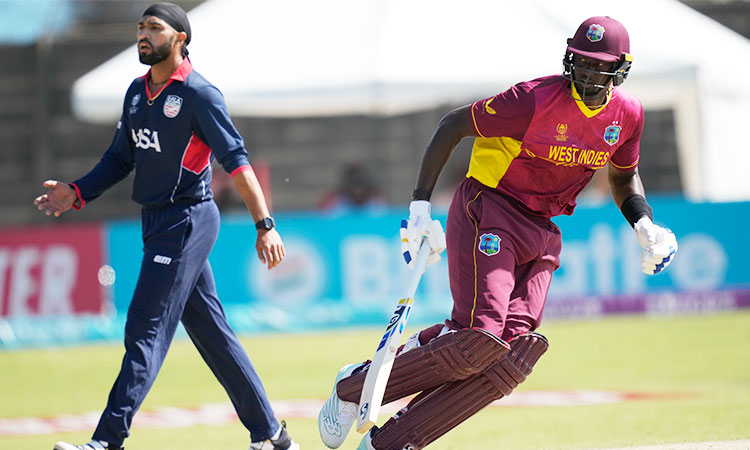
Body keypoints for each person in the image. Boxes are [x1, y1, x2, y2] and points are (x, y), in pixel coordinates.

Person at [318, 16, 678, 450]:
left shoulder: (628, 114)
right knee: (479, 337)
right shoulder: (533, 100)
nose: (587, 75)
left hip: (543, 229)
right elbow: (452, 125)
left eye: (598, 67)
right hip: (489, 209)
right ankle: (352, 387)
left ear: (620, 70)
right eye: (581, 64)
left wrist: (643, 223)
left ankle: (391, 441)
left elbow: (624, 177)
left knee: (513, 352)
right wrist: (419, 205)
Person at [33, 3, 299, 450]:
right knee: (212, 334)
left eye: (154, 28)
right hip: (156, 222)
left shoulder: (199, 94)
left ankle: (106, 441)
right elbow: (120, 158)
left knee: (145, 326)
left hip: (188, 219)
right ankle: (272, 436)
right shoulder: (137, 92)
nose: (143, 34)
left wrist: (265, 224)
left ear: (180, 39)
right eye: (140, 27)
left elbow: (238, 164)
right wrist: (76, 192)